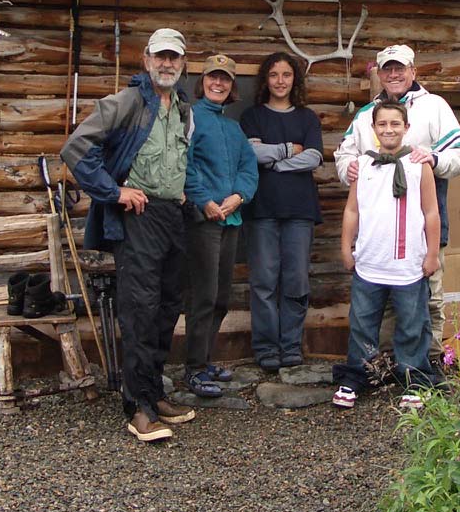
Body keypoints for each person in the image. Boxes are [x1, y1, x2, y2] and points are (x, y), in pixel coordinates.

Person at [60, 27, 198, 443]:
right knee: (140, 308)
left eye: (174, 57)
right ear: (146, 60)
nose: (167, 64)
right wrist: (112, 191)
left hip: (172, 216)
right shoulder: (127, 102)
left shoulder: (183, 110)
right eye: (160, 57)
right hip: (137, 217)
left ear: (182, 63)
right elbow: (77, 147)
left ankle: (154, 395)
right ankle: (138, 408)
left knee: (168, 306)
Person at [334, 44, 460, 342]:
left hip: (423, 222)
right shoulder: (365, 115)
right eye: (388, 69)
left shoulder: (434, 106)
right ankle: (383, 367)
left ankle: (428, 362)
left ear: (413, 71)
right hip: (376, 229)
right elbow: (344, 154)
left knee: (429, 294)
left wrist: (434, 160)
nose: (394, 74)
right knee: (379, 302)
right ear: (379, 74)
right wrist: (349, 169)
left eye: (400, 68)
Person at [332, 101, 441, 410]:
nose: (389, 129)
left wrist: (432, 255)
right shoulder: (363, 166)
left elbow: (431, 213)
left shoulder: (420, 165)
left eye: (395, 124)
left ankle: (415, 378)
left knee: (411, 325)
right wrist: (346, 247)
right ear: (374, 128)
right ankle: (358, 375)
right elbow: (352, 210)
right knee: (363, 324)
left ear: (406, 128)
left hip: (408, 266)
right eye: (382, 124)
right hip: (370, 263)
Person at [239, 52, 324, 372]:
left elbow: (314, 158)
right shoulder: (252, 116)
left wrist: (272, 161)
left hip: (300, 211)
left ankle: (290, 345)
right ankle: (265, 348)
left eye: (286, 74)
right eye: (273, 74)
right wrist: (289, 150)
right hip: (261, 209)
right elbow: (250, 153)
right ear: (265, 80)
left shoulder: (307, 118)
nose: (280, 81)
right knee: (263, 282)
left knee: (296, 281)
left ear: (294, 80)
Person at [182, 54, 259, 398]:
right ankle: (194, 369)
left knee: (221, 297)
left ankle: (205, 358)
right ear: (203, 82)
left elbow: (248, 167)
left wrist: (239, 196)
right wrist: (205, 201)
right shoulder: (191, 118)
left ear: (232, 86)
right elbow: (184, 164)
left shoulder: (232, 126)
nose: (219, 83)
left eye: (225, 79)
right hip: (203, 220)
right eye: (213, 77)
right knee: (203, 295)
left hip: (231, 217)